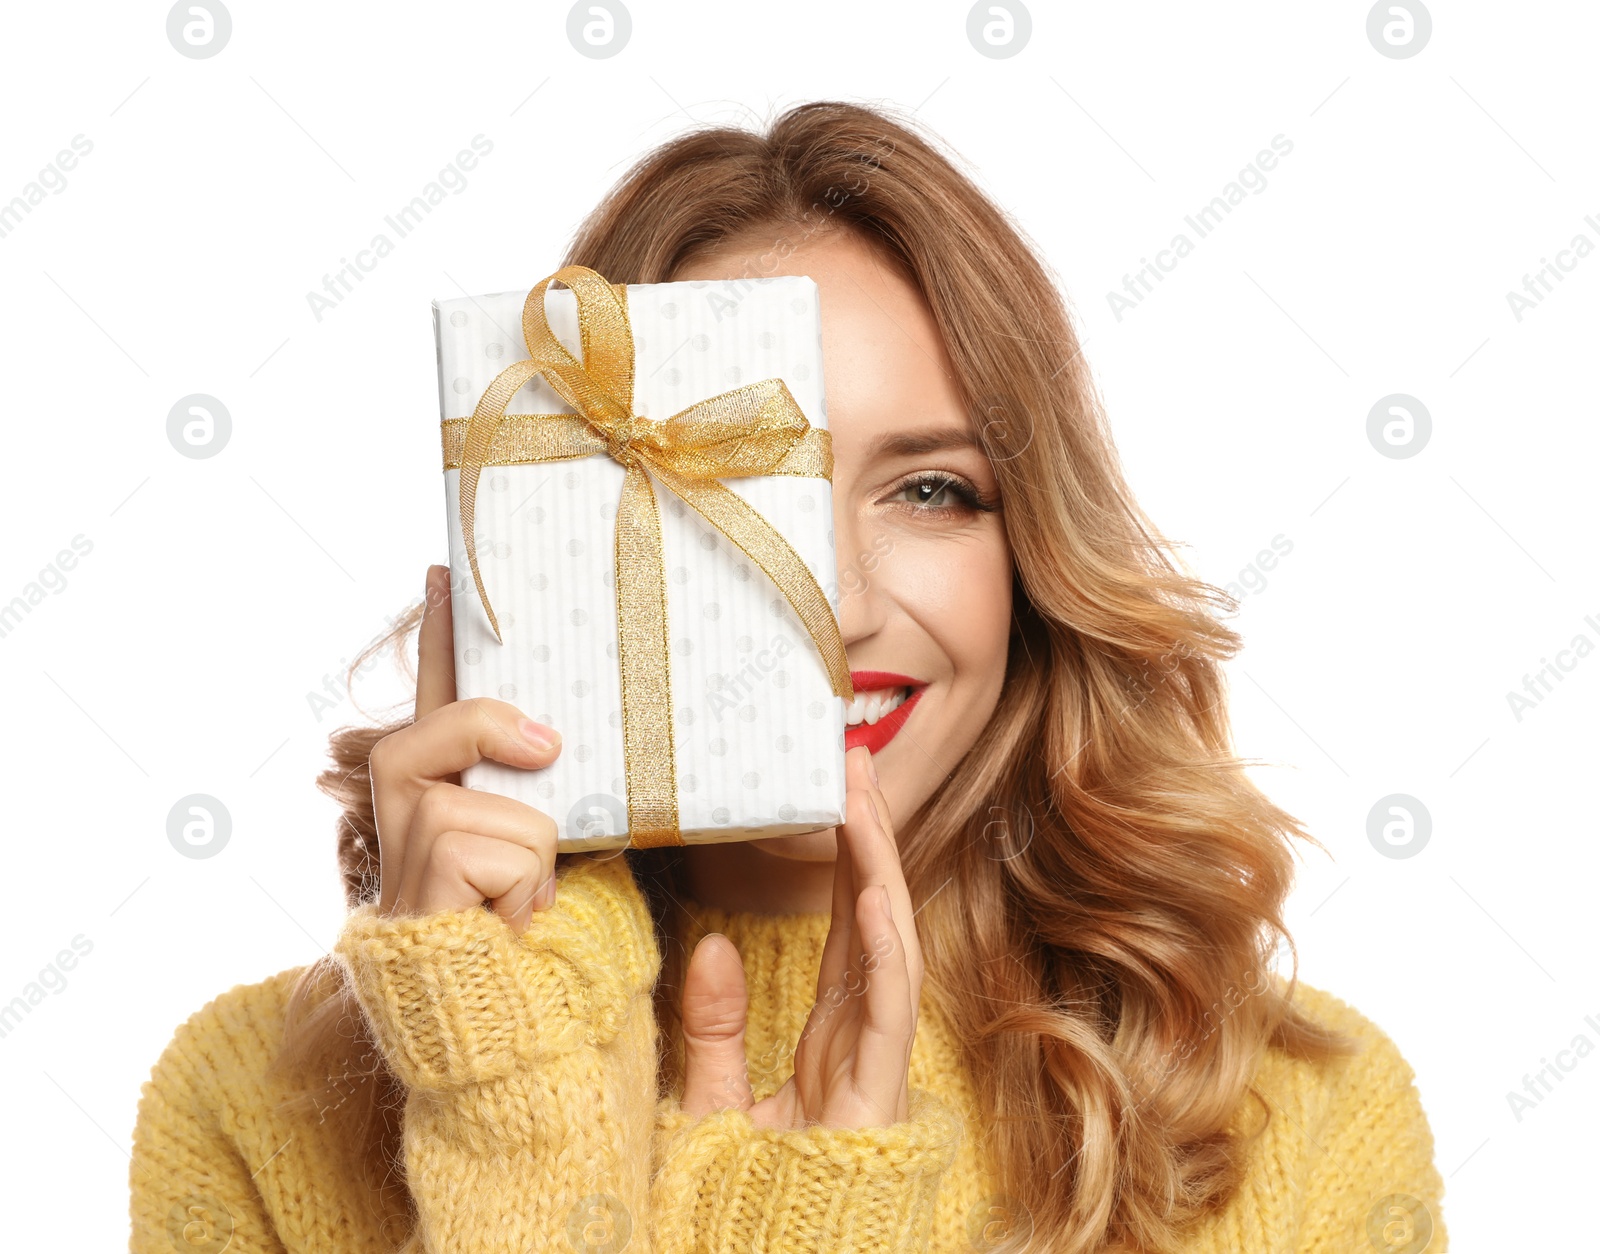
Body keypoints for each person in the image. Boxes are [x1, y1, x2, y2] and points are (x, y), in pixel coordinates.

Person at [129, 100, 1448, 1254]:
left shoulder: (1302, 1123)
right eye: (746, 500)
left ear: (1034, 558)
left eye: (933, 490)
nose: (843, 607)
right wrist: (511, 1124)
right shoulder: (252, 1110)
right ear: (584, 528)